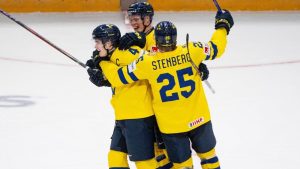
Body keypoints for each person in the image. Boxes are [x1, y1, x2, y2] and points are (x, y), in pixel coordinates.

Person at [95, 9, 234, 169]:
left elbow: (118, 77)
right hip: (200, 118)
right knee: (210, 158)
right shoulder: (192, 51)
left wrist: (102, 62)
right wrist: (222, 26)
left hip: (171, 126)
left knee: (183, 166)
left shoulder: (147, 62)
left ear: (155, 39)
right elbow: (217, 47)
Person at [86, 24, 172, 169]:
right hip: (123, 117)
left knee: (144, 163)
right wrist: (101, 75)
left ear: (108, 43)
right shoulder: (111, 56)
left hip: (138, 117)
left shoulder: (129, 54)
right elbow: (119, 77)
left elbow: (150, 63)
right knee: (115, 158)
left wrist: (103, 65)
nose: (95, 46)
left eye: (98, 42)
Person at [118, 1, 210, 81]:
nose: (133, 23)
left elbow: (164, 60)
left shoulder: (157, 38)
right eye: (131, 19)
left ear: (147, 19)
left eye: (136, 19)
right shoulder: (136, 37)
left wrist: (192, 65)